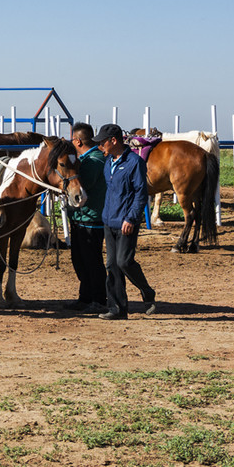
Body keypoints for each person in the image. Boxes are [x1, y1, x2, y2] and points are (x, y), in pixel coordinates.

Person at [95, 123, 156, 320]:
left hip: (125, 222)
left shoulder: (134, 163)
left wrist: (131, 218)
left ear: (113, 141)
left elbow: (140, 194)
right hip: (109, 220)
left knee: (124, 261)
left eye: (102, 142)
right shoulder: (109, 162)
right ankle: (117, 309)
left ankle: (146, 290)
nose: (100, 146)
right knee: (112, 265)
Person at [63, 122, 107, 313]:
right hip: (81, 217)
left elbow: (83, 185)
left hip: (91, 218)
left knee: (92, 261)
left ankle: (99, 299)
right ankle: (85, 297)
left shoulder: (93, 161)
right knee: (80, 260)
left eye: (73, 140)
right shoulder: (89, 159)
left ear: (78, 141)